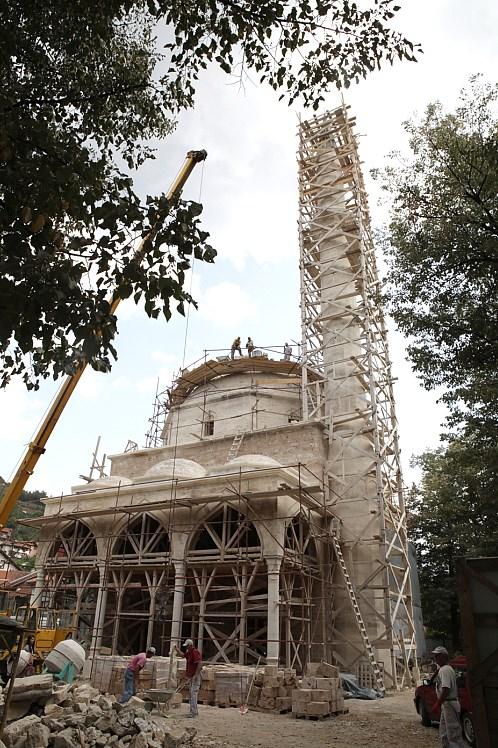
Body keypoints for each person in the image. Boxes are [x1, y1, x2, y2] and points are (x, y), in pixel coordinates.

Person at [432, 646, 465, 748]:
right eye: (435, 656)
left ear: (444, 656)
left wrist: (437, 704)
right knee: (444, 732)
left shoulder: (445, 670)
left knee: (453, 734)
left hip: (449, 703)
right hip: (446, 704)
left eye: (437, 656)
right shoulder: (443, 669)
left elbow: (446, 689)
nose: (435, 658)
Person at [175, 639, 202, 718]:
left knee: (193, 694)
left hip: (195, 676)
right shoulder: (189, 652)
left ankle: (193, 712)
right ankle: (193, 711)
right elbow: (183, 655)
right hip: (191, 676)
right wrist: (177, 650)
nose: (186, 647)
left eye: (187, 646)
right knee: (191, 693)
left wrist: (196, 675)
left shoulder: (194, 652)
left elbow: (200, 663)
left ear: (190, 645)